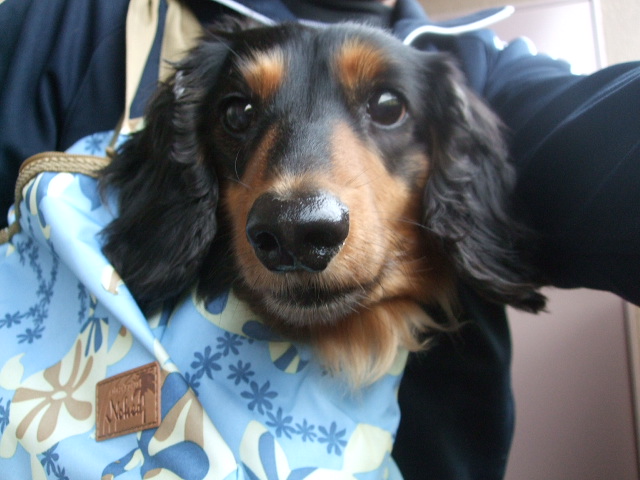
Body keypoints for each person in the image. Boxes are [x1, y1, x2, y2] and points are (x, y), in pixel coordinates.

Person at [0, 0, 638, 478]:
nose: (296, 212)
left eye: (386, 108)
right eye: (241, 115)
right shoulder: (71, 20)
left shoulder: (482, 70)